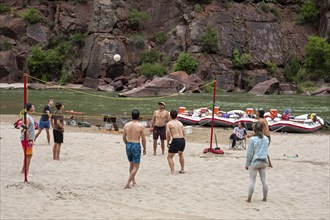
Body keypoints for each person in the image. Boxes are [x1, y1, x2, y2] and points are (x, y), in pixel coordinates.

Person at [245, 122, 269, 203]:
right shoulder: (266, 139)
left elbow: (249, 153)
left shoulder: (252, 139)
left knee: (252, 180)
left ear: (254, 130)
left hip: (255, 161)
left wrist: (247, 164)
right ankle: (265, 198)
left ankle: (249, 198)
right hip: (264, 161)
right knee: (264, 180)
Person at [123, 109, 146, 189]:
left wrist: (127, 144)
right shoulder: (140, 126)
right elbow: (143, 139)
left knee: (131, 164)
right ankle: (128, 183)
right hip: (136, 144)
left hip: (128, 144)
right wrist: (144, 148)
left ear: (131, 116)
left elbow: (123, 137)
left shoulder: (126, 125)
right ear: (139, 117)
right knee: (136, 166)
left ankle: (133, 181)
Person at [166, 109, 186, 175]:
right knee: (181, 154)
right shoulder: (180, 123)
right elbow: (184, 133)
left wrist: (168, 142)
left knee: (169, 157)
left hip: (176, 139)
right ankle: (182, 169)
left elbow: (168, 133)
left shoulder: (169, 124)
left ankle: (173, 171)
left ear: (170, 115)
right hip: (182, 140)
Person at [20, 103, 36, 175]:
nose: (34, 108)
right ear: (29, 109)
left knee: (28, 155)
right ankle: (26, 171)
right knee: (29, 155)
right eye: (33, 107)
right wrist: (29, 140)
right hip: (26, 139)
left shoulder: (29, 116)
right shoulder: (26, 117)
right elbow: (24, 129)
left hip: (29, 138)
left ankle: (23, 170)